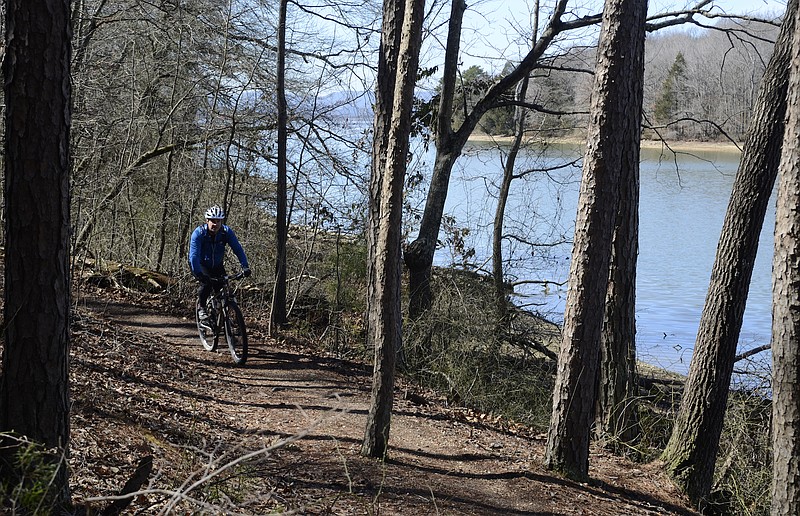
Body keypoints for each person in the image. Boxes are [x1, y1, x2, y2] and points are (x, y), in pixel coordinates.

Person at [188, 205, 251, 326]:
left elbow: (237, 249)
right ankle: (202, 308)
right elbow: (194, 256)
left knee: (222, 287)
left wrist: (245, 266)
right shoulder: (199, 233)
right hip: (200, 264)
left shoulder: (226, 232)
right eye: (212, 221)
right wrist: (199, 274)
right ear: (207, 221)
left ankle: (222, 313)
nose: (215, 224)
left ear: (221, 221)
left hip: (217, 265)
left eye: (218, 221)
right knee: (206, 284)